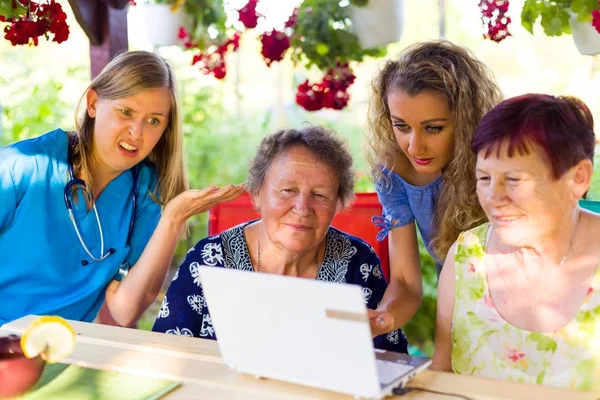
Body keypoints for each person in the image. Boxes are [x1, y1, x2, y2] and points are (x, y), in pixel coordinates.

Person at [0, 51, 246, 327]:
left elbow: (125, 310)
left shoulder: (145, 191)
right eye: (126, 112)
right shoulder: (21, 166)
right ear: (93, 103)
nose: (136, 133)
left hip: (64, 350)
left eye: (153, 121)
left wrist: (173, 218)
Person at [153, 126, 409, 352]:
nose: (302, 208)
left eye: (320, 195)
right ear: (256, 195)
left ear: (338, 203)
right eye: (287, 191)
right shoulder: (208, 260)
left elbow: (391, 362)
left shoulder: (358, 264)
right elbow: (165, 356)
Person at [431, 94, 600, 390]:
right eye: (484, 178)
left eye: (513, 180)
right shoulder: (467, 255)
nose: (494, 199)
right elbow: (441, 378)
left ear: (578, 178)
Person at [365, 40, 503, 336]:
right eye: (401, 126)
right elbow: (405, 281)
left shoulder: (498, 163)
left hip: (518, 297)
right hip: (457, 301)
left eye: (433, 128)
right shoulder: (393, 172)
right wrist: (381, 319)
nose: (414, 146)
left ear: (466, 121)